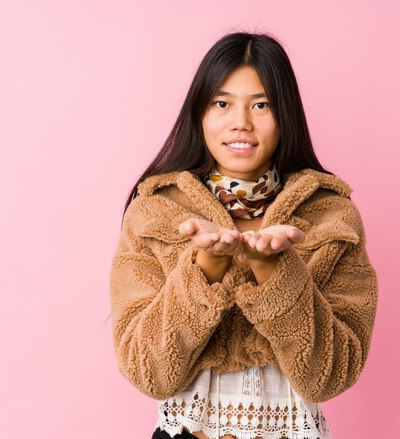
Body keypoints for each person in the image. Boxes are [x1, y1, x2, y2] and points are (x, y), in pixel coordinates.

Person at [109, 30, 379, 439]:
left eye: (261, 104)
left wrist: (276, 273)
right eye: (222, 103)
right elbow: (149, 374)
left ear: (285, 114)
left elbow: (331, 377)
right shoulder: (156, 211)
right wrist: (206, 267)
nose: (241, 123)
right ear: (199, 114)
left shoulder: (331, 216)